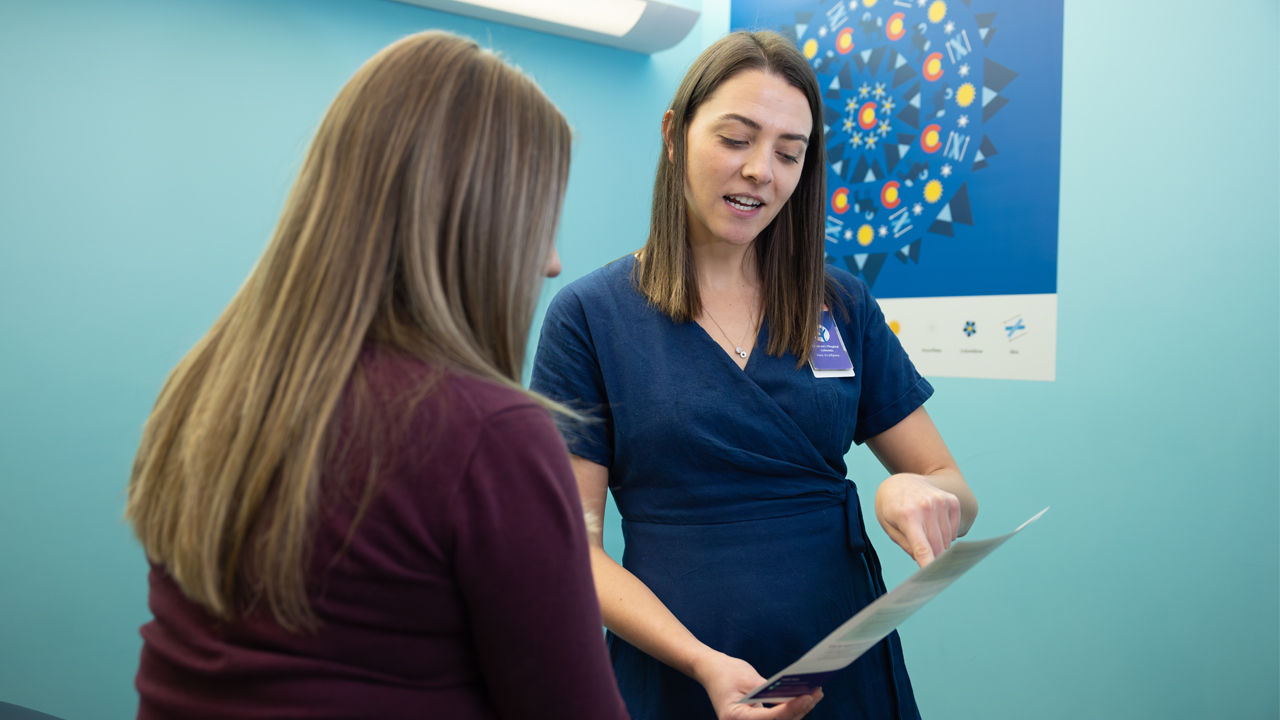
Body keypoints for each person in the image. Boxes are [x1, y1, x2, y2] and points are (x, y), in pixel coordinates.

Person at [126, 31, 628, 720]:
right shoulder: (488, 436)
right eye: (538, 221)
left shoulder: (206, 386)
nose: (551, 261)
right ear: (473, 224)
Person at [531, 30, 978, 720]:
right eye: (736, 140)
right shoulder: (589, 317)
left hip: (841, 667)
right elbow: (571, 551)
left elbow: (953, 489)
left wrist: (912, 495)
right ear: (675, 135)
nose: (761, 172)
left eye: (789, 153)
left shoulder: (839, 304)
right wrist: (700, 663)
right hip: (682, 674)